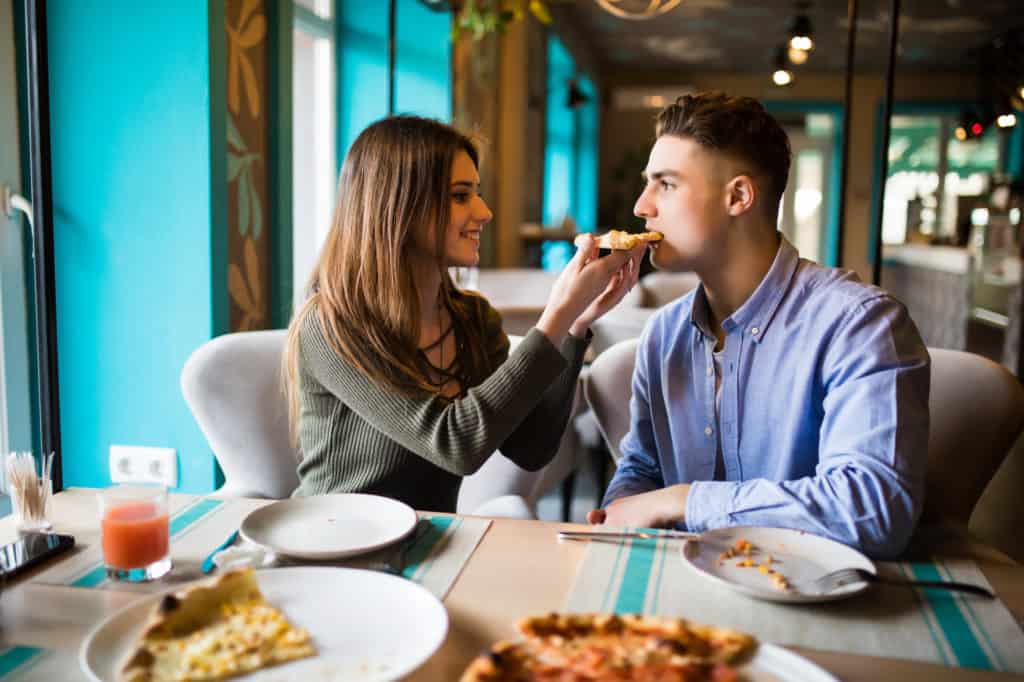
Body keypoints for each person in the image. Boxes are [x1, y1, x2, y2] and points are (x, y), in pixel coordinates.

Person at [587, 93, 930, 559]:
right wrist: (621, 510)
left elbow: (873, 512)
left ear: (738, 196)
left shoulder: (861, 325)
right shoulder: (663, 335)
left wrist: (681, 501)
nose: (642, 205)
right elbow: (643, 467)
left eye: (665, 184)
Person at [283, 115, 646, 513]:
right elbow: (455, 445)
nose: (485, 211)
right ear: (398, 205)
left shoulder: (471, 320)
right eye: (460, 195)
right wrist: (556, 314)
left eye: (476, 192)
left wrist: (575, 325)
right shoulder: (332, 324)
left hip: (424, 544)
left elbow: (532, 448)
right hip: (332, 545)